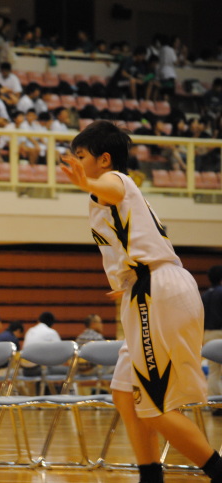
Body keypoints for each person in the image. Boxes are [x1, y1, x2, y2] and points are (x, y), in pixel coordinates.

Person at [61, 120, 222, 483]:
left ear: (104, 159)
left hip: (157, 291)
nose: (76, 163)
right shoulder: (111, 195)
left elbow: (112, 186)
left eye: (81, 156)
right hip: (146, 289)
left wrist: (88, 183)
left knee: (155, 406)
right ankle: (150, 475)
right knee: (123, 392)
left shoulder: (115, 181)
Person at [203, 265, 222, 407]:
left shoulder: (205, 295)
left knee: (213, 372)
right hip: (220, 333)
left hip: (208, 334)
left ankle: (215, 405)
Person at [22, 312, 60, 376]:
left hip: (25, 370)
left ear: (39, 320)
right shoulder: (51, 332)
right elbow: (61, 353)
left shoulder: (30, 331)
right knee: (69, 370)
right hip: (40, 370)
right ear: (52, 323)